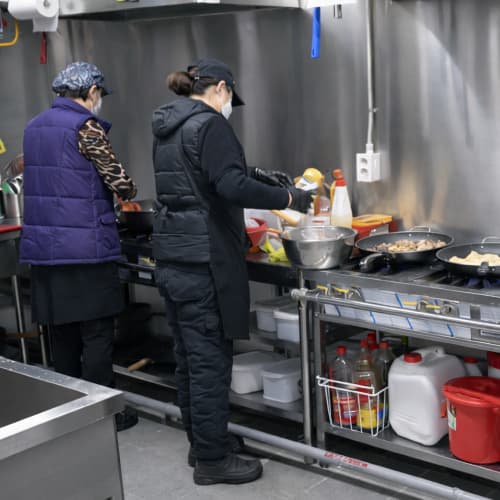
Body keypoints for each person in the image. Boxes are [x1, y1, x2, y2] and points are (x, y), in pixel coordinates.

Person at [152, 58, 312, 485]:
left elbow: (201, 178)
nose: (229, 107)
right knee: (208, 362)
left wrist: (253, 173)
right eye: (229, 97)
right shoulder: (210, 125)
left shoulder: (170, 126)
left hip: (174, 258)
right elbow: (230, 186)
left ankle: (204, 443)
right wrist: (287, 197)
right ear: (220, 88)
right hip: (204, 261)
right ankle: (212, 461)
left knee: (189, 360)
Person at [20, 61, 138, 431]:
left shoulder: (33, 127)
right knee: (97, 334)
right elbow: (120, 182)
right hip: (86, 248)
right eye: (99, 93)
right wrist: (128, 192)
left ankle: (71, 417)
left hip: (46, 250)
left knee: (63, 335)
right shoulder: (85, 126)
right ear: (91, 91)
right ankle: (104, 418)